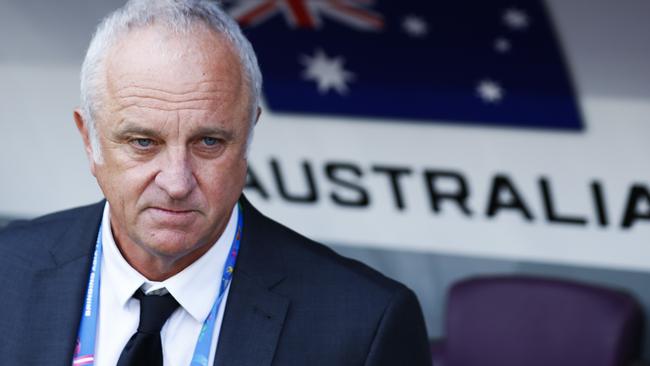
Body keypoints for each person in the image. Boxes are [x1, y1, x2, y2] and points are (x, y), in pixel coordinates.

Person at [0, 1, 431, 365]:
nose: (176, 182)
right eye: (143, 142)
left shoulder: (363, 325)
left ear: (248, 136)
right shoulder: (7, 272)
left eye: (209, 141)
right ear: (88, 139)